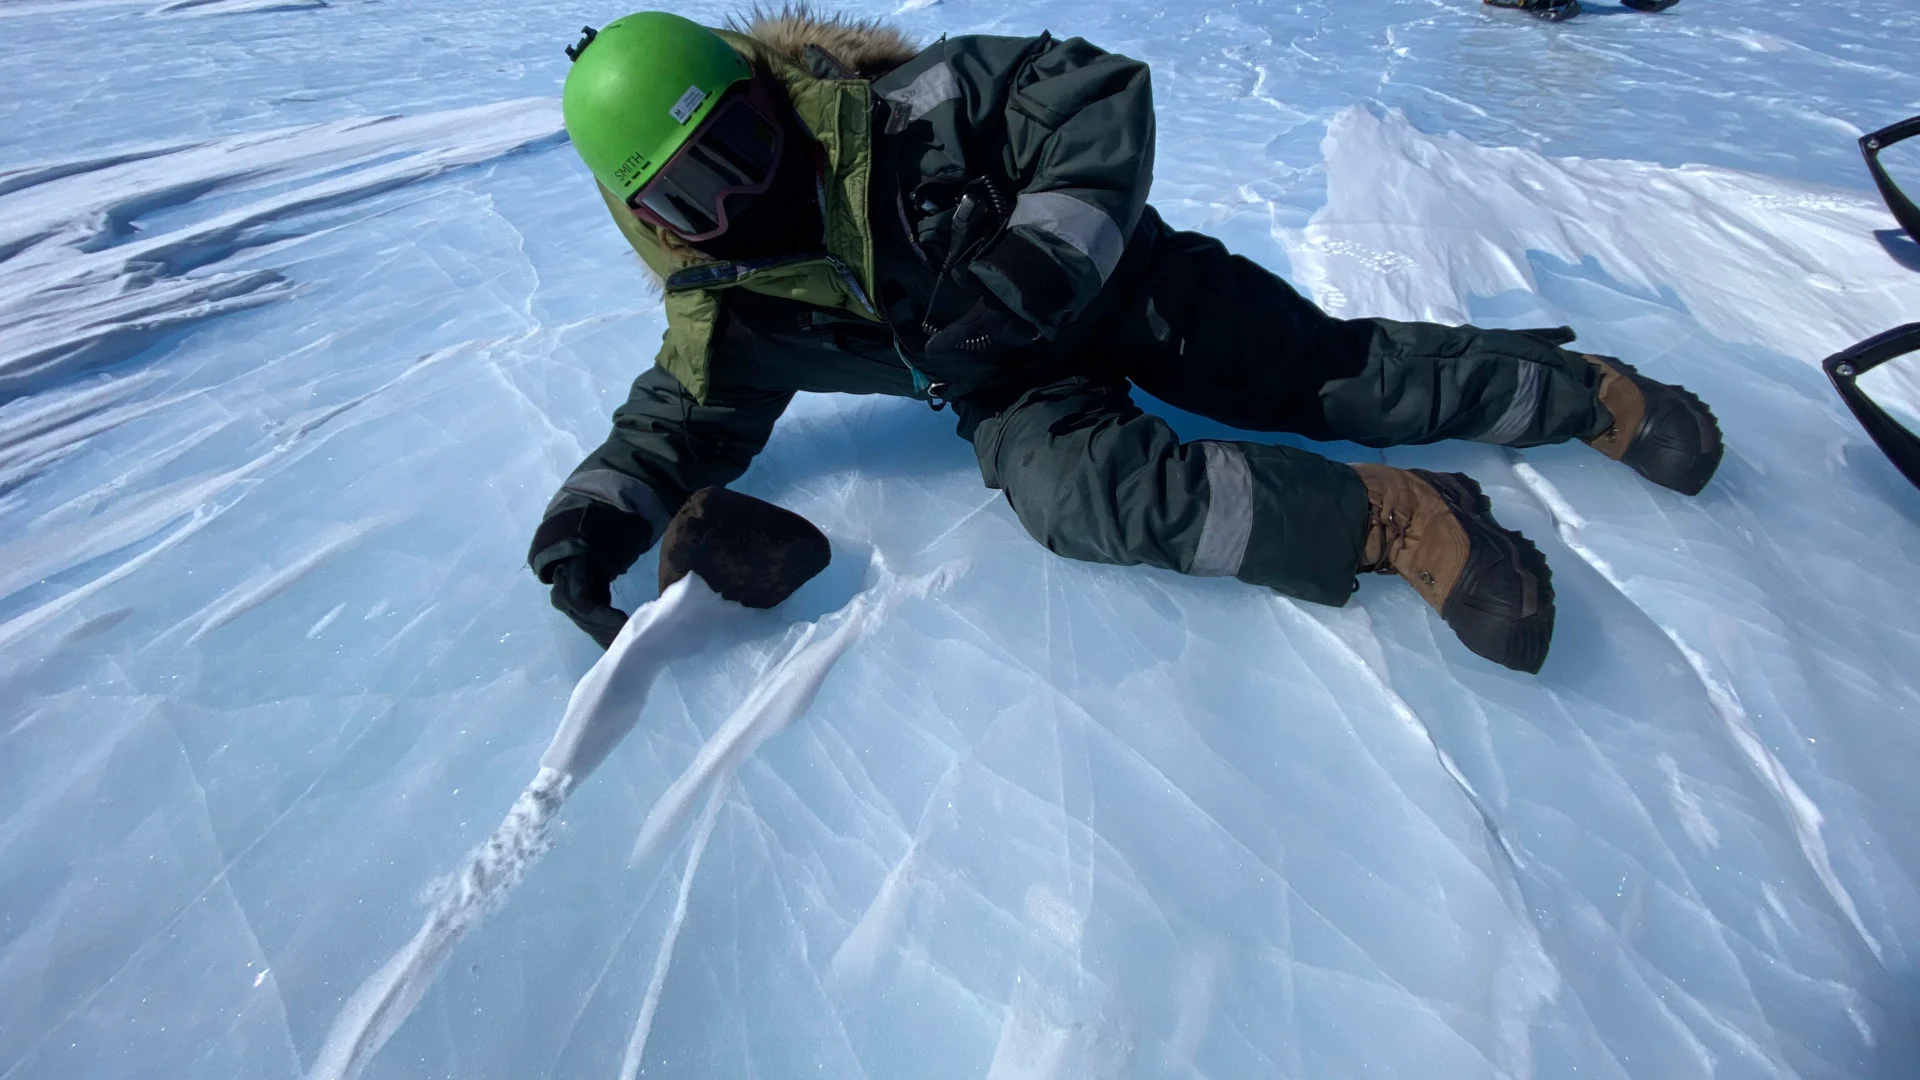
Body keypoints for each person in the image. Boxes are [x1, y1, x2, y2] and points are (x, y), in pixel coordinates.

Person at [529, 8, 1723, 673]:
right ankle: (1399, 515)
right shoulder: (733, 307)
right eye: (689, 200)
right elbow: (678, 416)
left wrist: (1032, 261)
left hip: (1123, 282)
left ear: (767, 93)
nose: (734, 203)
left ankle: (1583, 392)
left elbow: (1097, 97)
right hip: (1010, 389)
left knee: (1326, 377)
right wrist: (594, 516)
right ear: (644, 219)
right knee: (1076, 501)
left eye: (738, 148)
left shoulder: (915, 109)